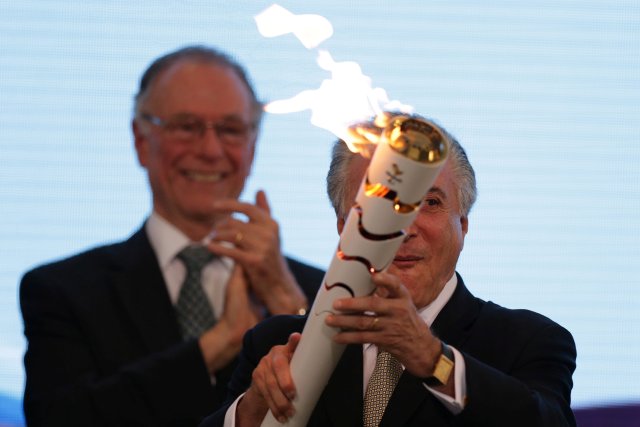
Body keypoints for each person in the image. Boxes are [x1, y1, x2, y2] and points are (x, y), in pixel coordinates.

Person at [200, 115, 577, 427]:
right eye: (379, 205)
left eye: (429, 202)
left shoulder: (527, 342)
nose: (405, 228)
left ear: (462, 224)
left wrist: (434, 360)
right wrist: (249, 412)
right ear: (343, 225)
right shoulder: (280, 344)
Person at [19, 45, 324, 427]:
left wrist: (288, 303)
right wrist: (218, 344)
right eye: (186, 127)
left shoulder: (320, 290)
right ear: (141, 140)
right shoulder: (63, 291)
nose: (211, 150)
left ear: (253, 143)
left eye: (230, 130)